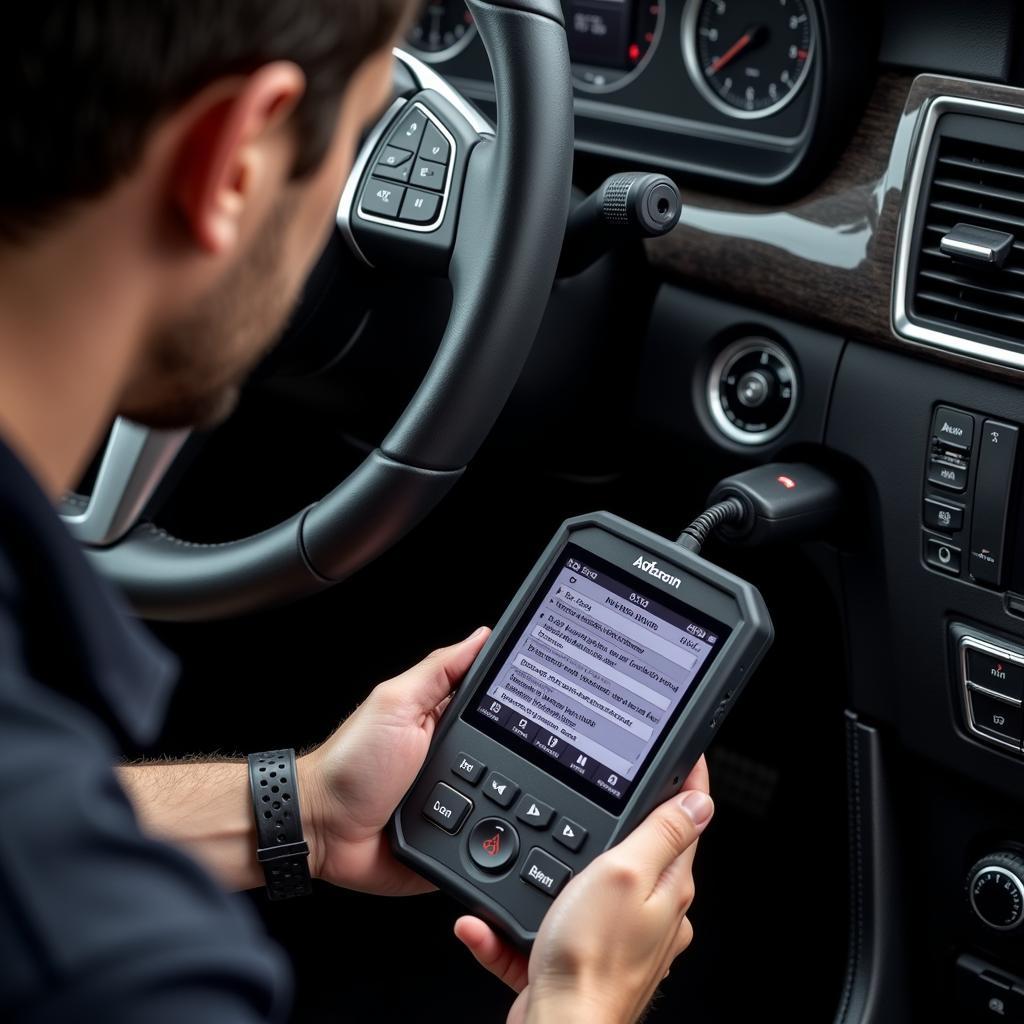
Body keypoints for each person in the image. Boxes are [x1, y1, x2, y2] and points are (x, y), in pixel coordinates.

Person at [0, 3, 715, 1022]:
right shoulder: (115, 968)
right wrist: (580, 1002)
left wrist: (300, 811)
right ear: (234, 159)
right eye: (363, 128)